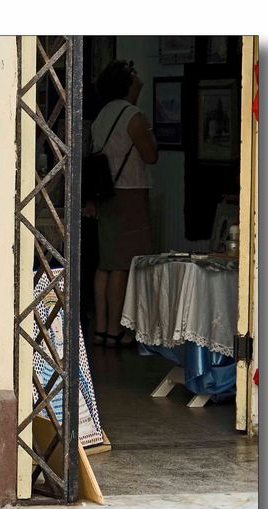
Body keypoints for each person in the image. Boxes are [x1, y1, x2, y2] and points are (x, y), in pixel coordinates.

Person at [88, 60, 158, 348]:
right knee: (121, 264)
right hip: (129, 191)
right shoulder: (133, 115)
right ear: (128, 84)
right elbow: (150, 154)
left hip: (105, 192)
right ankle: (117, 329)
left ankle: (102, 328)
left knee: (105, 263)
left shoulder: (102, 114)